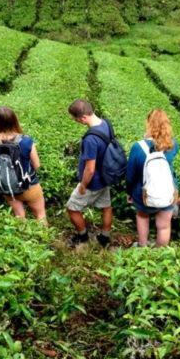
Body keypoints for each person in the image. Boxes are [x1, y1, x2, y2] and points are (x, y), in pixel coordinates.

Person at [126, 109, 179, 248]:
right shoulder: (173, 144)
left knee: (143, 217)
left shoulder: (138, 147)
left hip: (144, 192)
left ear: (148, 123)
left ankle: (143, 247)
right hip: (168, 190)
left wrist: (129, 192)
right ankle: (159, 253)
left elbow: (131, 173)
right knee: (164, 226)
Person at [0, 106, 48, 224]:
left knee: (19, 216)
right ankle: (43, 239)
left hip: (7, 186)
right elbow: (37, 165)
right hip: (29, 185)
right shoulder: (26, 141)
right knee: (40, 215)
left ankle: (24, 240)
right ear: (15, 119)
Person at [66, 99, 113, 248]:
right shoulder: (106, 123)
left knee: (72, 208)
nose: (76, 121)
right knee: (106, 206)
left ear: (83, 118)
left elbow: (90, 169)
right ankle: (105, 237)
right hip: (106, 176)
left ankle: (83, 236)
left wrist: (83, 185)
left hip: (93, 181)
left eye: (76, 119)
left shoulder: (91, 139)